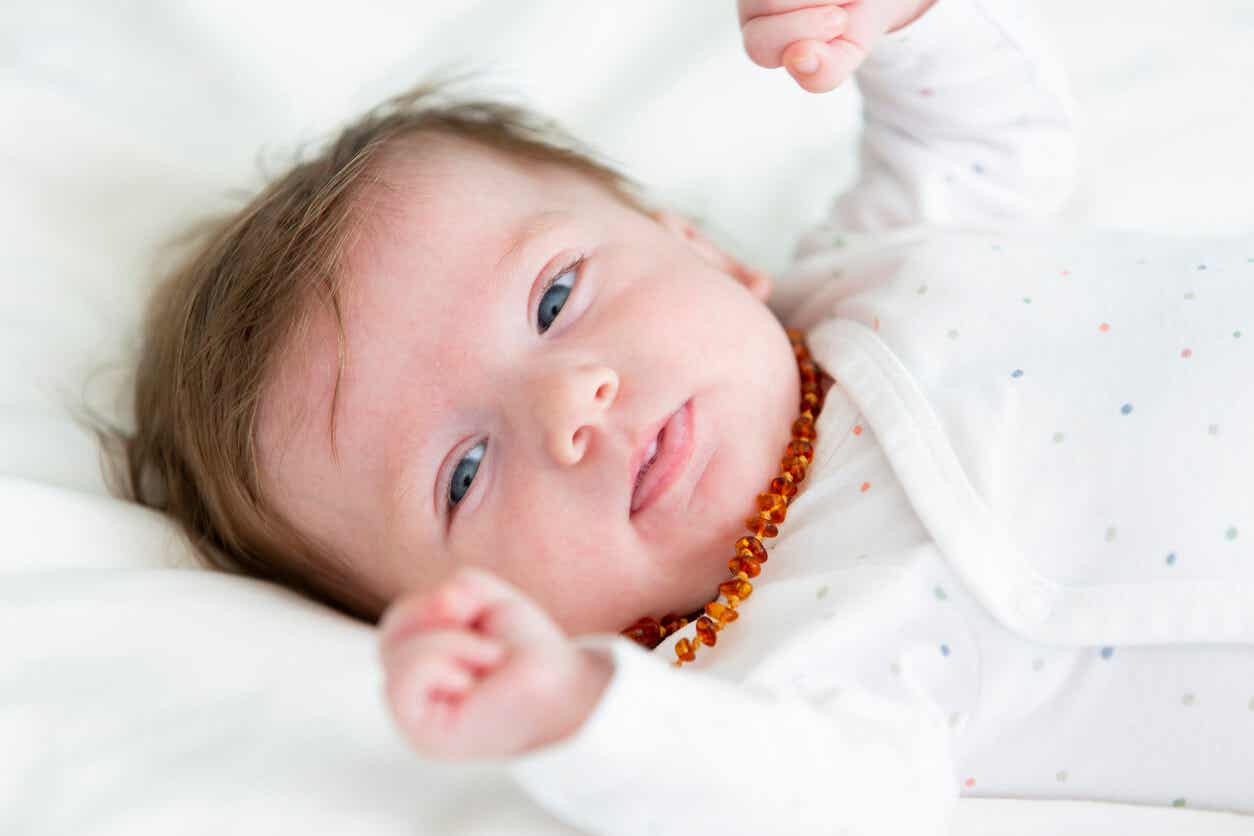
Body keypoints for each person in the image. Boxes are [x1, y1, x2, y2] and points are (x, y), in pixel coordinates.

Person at [115, 0, 1254, 833]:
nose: (570, 406)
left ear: (696, 244)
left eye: (557, 296)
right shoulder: (778, 671)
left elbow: (997, 144)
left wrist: (897, 23)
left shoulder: (879, 262)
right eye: (463, 471)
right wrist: (580, 717)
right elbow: (825, 798)